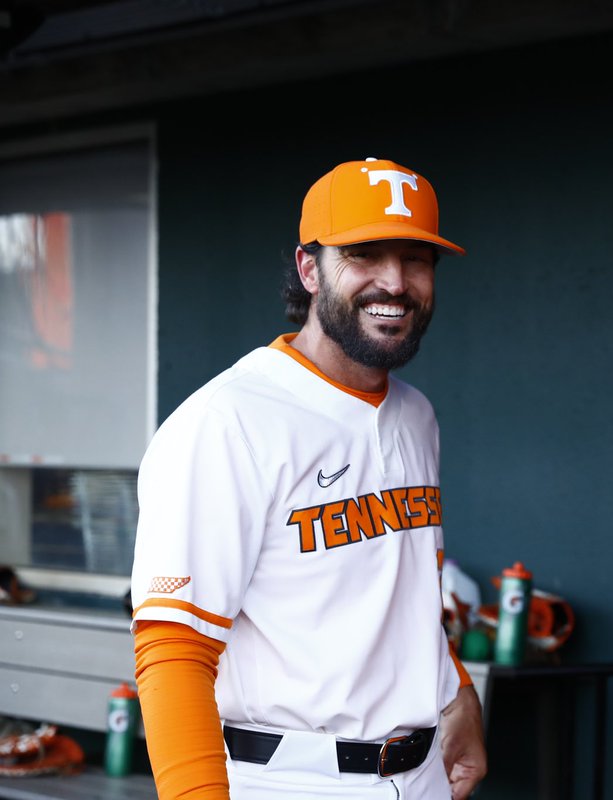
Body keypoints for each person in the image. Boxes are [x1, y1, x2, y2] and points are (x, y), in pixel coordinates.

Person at [129, 157, 487, 800]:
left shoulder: (416, 415)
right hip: (290, 778)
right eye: (364, 254)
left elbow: (407, 588)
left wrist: (456, 689)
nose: (395, 282)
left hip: (423, 773)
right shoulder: (227, 421)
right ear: (308, 268)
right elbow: (175, 651)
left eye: (417, 258)